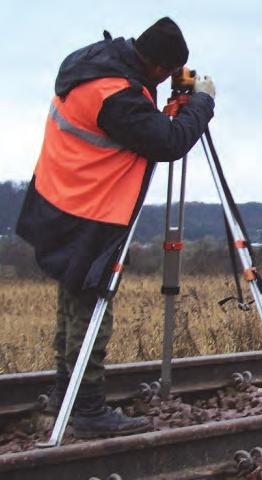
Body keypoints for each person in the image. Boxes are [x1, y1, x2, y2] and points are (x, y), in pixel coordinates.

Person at [15, 17, 216, 438]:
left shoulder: (95, 63)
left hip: (59, 200)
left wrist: (163, 109)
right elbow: (168, 142)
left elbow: (139, 124)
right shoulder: (116, 96)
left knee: (72, 299)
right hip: (89, 212)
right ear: (159, 66)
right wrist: (202, 104)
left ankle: (62, 394)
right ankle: (87, 409)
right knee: (91, 308)